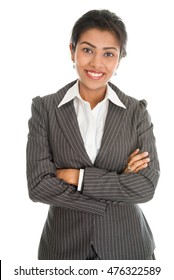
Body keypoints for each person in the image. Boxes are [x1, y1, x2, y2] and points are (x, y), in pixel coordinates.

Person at [26, 9, 160, 260]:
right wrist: (119, 183)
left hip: (128, 249)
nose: (97, 63)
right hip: (63, 251)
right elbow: (38, 186)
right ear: (72, 51)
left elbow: (146, 186)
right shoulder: (44, 109)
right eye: (87, 50)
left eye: (108, 54)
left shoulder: (136, 112)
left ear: (119, 59)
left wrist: (76, 177)